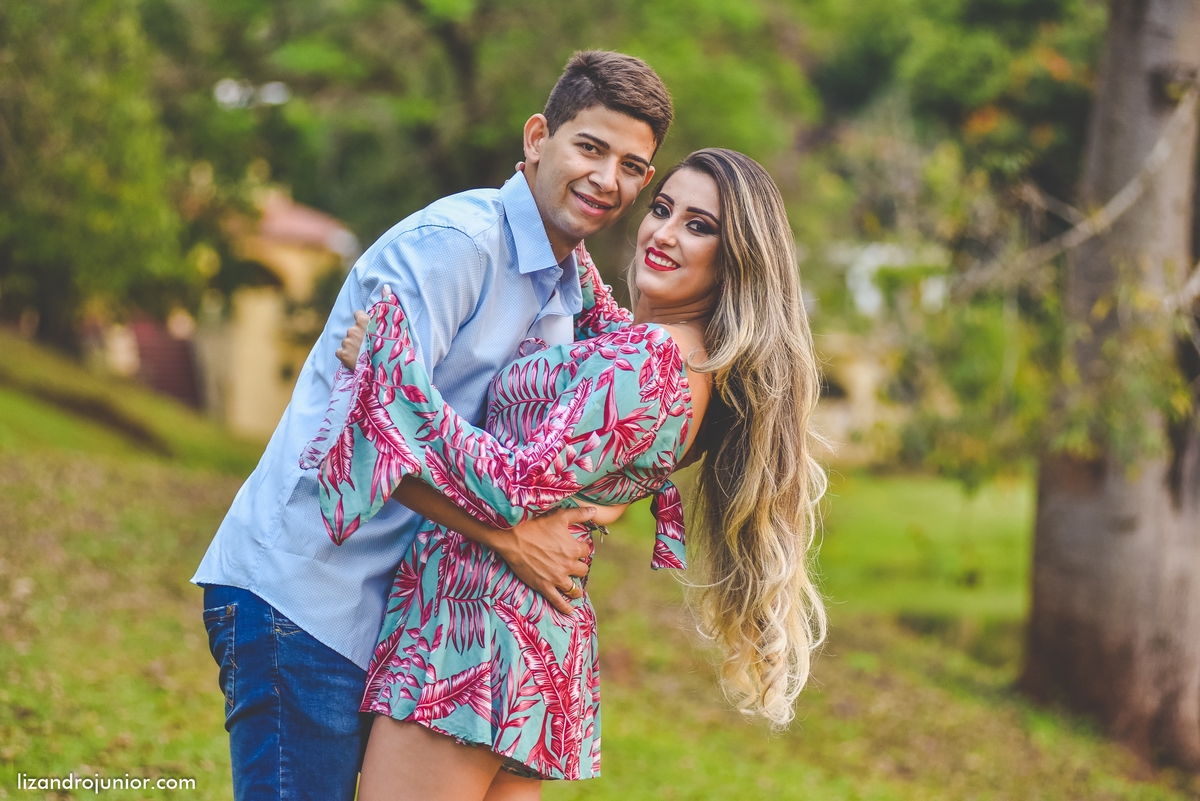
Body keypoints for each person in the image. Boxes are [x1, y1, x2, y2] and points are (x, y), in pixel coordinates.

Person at [191, 51, 673, 801]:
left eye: (633, 166)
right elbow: (369, 429)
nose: (609, 178)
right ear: (538, 136)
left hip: (388, 622)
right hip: (305, 595)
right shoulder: (455, 245)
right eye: (591, 147)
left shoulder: (567, 287)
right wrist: (509, 538)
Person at [317, 148, 827, 800]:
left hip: (474, 629)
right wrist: (557, 178)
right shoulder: (686, 362)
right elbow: (592, 315)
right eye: (662, 208)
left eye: (699, 225)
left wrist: (389, 376)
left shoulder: (653, 359)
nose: (664, 233)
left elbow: (514, 484)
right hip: (532, 638)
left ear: (739, 260)